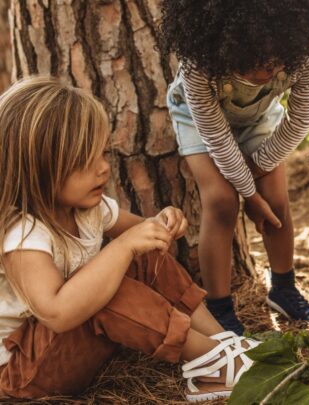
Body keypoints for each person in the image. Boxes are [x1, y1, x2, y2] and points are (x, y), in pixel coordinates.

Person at [0, 76, 258, 401]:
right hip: (24, 373)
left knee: (141, 254)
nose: (103, 169)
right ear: (37, 168)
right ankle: (214, 364)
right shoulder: (23, 235)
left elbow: (144, 235)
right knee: (108, 288)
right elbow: (57, 312)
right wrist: (122, 246)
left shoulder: (88, 210)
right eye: (84, 160)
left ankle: (223, 343)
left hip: (66, 348)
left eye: (103, 153)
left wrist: (162, 223)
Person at [159, 0, 309, 334]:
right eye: (251, 63)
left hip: (258, 118)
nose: (264, 73)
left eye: (273, 63)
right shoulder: (199, 59)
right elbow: (214, 134)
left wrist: (257, 178)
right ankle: (220, 308)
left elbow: (300, 119)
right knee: (222, 201)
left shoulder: (308, 43)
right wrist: (247, 195)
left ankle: (284, 290)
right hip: (198, 120)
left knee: (276, 199)